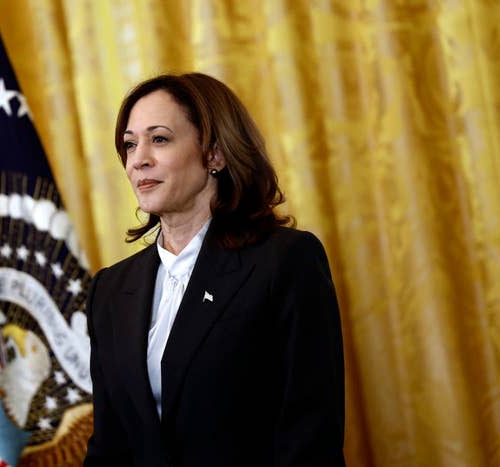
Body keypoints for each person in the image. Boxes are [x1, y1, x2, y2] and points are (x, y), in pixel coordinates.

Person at [84, 72, 345, 467]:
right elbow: (109, 448)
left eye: (159, 139)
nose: (139, 160)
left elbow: (310, 438)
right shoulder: (109, 289)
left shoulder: (285, 261)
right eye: (130, 144)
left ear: (215, 154)